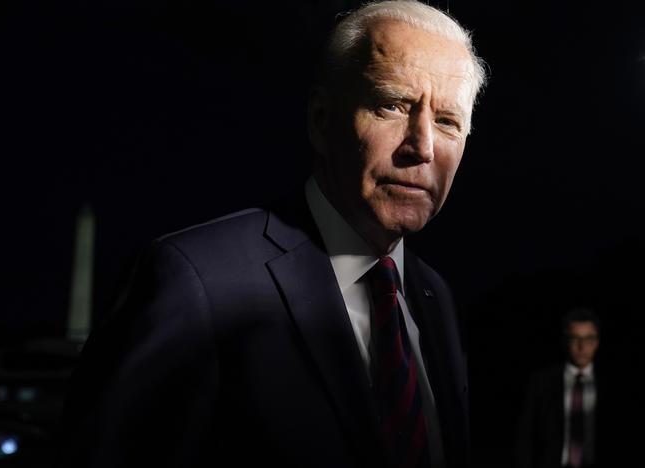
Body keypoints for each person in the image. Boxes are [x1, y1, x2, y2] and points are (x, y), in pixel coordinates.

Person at [60, 1, 487, 467]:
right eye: (392, 105)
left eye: (448, 122)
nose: (422, 147)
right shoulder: (195, 280)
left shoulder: (435, 297)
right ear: (322, 120)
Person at [515, 308, 616, 468]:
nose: (582, 346)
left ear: (597, 342)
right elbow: (525, 436)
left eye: (588, 339)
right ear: (565, 340)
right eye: (575, 338)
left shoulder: (611, 383)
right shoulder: (541, 382)